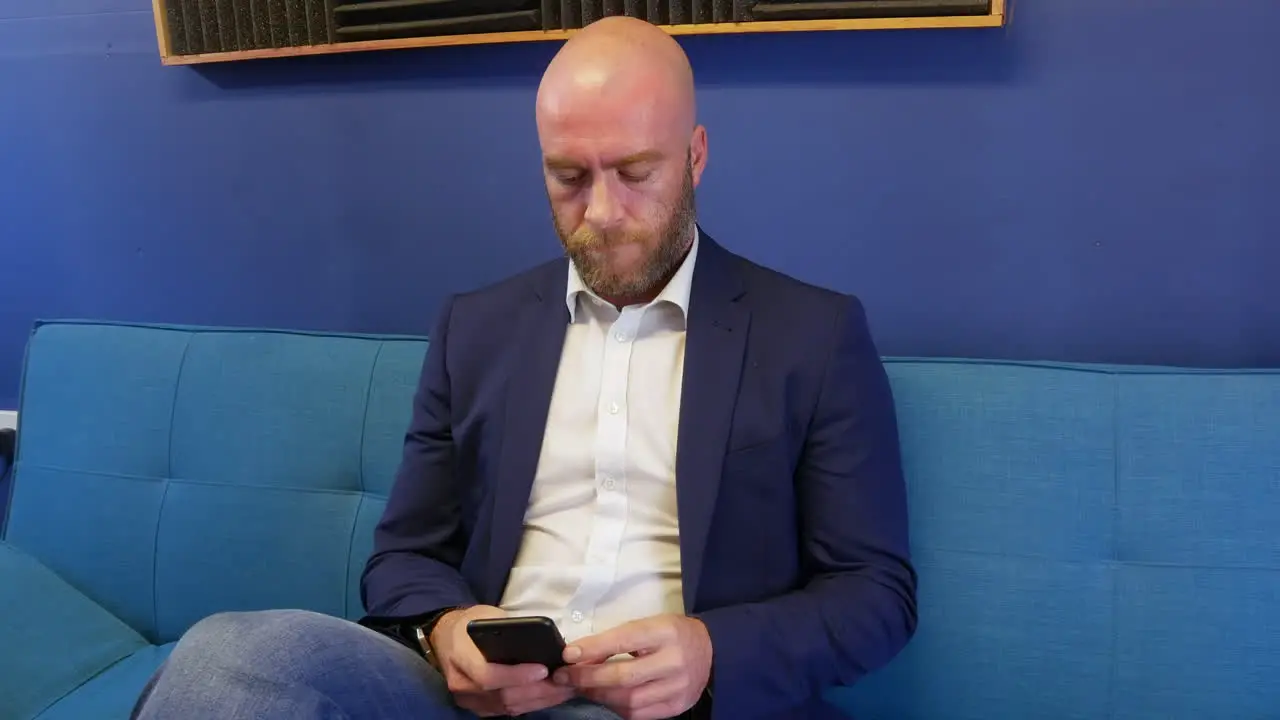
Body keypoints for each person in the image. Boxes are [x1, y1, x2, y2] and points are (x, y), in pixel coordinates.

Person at [130, 15, 916, 720]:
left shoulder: (812, 334)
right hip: (472, 705)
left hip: (678, 713)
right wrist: (446, 631)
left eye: (636, 173)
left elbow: (875, 596)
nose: (601, 214)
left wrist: (714, 652)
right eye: (568, 177)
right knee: (231, 656)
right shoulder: (475, 329)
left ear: (695, 156)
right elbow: (404, 557)